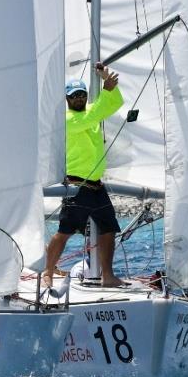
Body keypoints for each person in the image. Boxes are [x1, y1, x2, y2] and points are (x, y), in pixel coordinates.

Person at [43, 62, 125, 288]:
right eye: (73, 95)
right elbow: (95, 114)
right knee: (64, 232)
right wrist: (105, 90)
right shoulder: (67, 119)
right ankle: (48, 272)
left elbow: (114, 104)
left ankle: (108, 275)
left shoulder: (91, 111)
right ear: (67, 99)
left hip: (97, 186)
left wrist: (109, 87)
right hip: (77, 186)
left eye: (82, 94)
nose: (78, 98)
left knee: (109, 229)